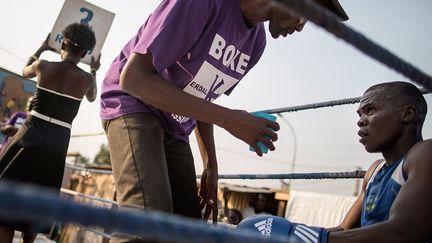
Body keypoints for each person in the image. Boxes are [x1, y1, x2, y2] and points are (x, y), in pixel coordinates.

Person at [100, 0, 348, 241]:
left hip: (174, 127)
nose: (302, 26)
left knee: (190, 231)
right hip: (132, 105)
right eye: (308, 13)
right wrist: (231, 120)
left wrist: (211, 164)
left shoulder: (256, 43)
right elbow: (133, 79)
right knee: (146, 226)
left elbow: (202, 93)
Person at [237, 81, 431, 242]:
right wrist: (290, 233)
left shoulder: (424, 154)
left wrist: (306, 238)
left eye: (370, 110)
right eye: (360, 114)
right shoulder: (374, 172)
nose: (361, 120)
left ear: (407, 114)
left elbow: (404, 231)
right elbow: (343, 231)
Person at [0, 23, 100, 243]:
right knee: (38, 203)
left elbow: (25, 69)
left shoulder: (43, 66)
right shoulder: (87, 80)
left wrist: (43, 47)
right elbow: (92, 97)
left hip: (30, 134)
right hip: (58, 143)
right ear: (84, 53)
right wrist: (94, 70)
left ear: (62, 43)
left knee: (4, 200)